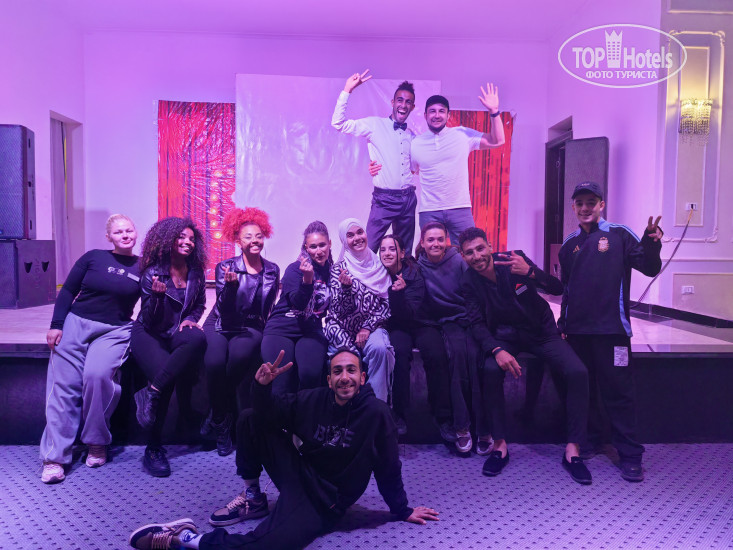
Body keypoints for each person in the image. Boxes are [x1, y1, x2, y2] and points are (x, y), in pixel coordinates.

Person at [127, 349, 439, 550]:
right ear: (329, 379)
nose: (345, 377)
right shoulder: (313, 399)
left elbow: (388, 467)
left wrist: (402, 509)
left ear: (362, 377)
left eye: (351, 370)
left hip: (324, 502)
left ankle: (186, 539)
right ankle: (253, 496)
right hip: (298, 473)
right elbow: (267, 414)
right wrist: (261, 387)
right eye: (337, 371)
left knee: (269, 545)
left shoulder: (377, 414)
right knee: (250, 418)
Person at [458, 227, 592, 484]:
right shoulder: (468, 282)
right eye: (469, 252)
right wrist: (496, 350)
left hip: (541, 333)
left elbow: (556, 288)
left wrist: (530, 272)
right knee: (489, 370)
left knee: (578, 372)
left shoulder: (513, 259)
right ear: (463, 256)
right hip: (505, 336)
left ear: (489, 246)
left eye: (480, 248)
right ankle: (500, 446)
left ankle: (573, 450)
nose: (476, 256)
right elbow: (476, 323)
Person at [558, 181, 663, 482]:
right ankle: (590, 440)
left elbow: (650, 267)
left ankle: (630, 455)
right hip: (577, 334)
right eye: (580, 203)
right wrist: (563, 324)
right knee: (585, 392)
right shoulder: (568, 245)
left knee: (619, 393)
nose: (585, 208)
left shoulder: (620, 234)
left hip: (612, 332)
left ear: (601, 205)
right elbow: (567, 289)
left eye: (591, 202)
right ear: (574, 207)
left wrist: (652, 242)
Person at [40, 214, 141, 484]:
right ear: (109, 237)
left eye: (129, 230)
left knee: (97, 377)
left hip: (115, 330)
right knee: (63, 386)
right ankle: (54, 458)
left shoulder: (143, 266)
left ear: (135, 233)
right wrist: (56, 325)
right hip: (76, 323)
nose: (125, 235)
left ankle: (97, 441)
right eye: (118, 232)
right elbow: (67, 291)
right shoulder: (93, 258)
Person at [131, 217, 208, 477]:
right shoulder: (152, 273)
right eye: (181, 237)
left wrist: (191, 318)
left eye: (191, 239)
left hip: (176, 330)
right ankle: (153, 448)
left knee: (198, 338)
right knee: (165, 374)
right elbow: (150, 320)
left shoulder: (196, 272)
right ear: (167, 240)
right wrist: (156, 297)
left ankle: (150, 392)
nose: (188, 242)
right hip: (149, 333)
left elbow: (199, 304)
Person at [201, 207, 280, 457]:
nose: (254, 241)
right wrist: (231, 287)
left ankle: (216, 415)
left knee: (238, 358)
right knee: (214, 363)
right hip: (220, 322)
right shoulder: (226, 267)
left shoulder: (272, 269)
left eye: (258, 236)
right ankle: (223, 421)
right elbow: (224, 308)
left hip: (251, 325)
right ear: (238, 240)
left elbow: (267, 307)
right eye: (248, 237)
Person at [416, 222, 489, 455]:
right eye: (430, 240)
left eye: (440, 239)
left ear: (447, 241)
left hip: (470, 318)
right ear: (422, 243)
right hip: (447, 323)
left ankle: (484, 428)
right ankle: (462, 426)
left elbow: (474, 293)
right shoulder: (418, 267)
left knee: (477, 359)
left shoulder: (458, 261)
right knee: (457, 360)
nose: (436, 244)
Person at [332, 70, 418, 254]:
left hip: (408, 199)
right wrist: (347, 90)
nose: (403, 105)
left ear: (413, 107)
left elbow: (413, 168)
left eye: (408, 102)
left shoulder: (412, 136)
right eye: (400, 100)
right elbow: (338, 124)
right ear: (393, 102)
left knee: (404, 254)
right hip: (384, 199)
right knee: (367, 250)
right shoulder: (374, 125)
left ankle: (402, 274)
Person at [409, 84, 505, 245]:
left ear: (448, 115)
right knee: (429, 255)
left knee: (470, 251)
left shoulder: (462, 134)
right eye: (432, 111)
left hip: (460, 208)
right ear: (425, 115)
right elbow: (411, 171)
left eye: (441, 111)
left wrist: (494, 112)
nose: (437, 115)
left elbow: (498, 141)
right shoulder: (415, 143)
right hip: (429, 210)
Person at [323, 218, 394, 404]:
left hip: (371, 327)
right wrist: (346, 289)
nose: (357, 238)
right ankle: (347, 411)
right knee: (347, 361)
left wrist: (367, 327)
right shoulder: (338, 269)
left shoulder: (379, 265)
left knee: (380, 349)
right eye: (350, 235)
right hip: (342, 329)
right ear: (344, 240)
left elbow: (386, 305)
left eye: (360, 232)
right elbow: (338, 311)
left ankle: (376, 408)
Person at [261, 221, 332, 396]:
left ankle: (306, 413)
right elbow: (298, 302)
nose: (318, 251)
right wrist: (307, 280)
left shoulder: (333, 272)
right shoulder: (295, 269)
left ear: (330, 244)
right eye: (313, 246)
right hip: (282, 328)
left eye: (322, 245)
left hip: (310, 330)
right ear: (306, 248)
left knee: (310, 375)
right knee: (280, 382)